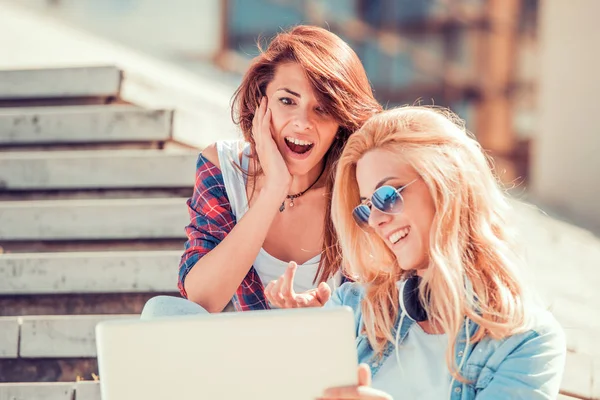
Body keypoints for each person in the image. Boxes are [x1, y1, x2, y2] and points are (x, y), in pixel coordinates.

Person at [266, 107, 566, 399]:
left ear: (447, 184)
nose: (376, 220)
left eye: (387, 195)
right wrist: (301, 352)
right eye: (367, 207)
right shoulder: (354, 310)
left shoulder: (527, 341)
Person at [141, 25, 382, 317]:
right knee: (162, 312)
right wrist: (274, 189)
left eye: (322, 109)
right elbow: (202, 299)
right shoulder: (224, 167)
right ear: (261, 102)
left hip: (338, 352)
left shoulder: (359, 182)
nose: (302, 122)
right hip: (249, 354)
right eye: (287, 101)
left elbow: (387, 300)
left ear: (341, 121)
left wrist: (328, 315)